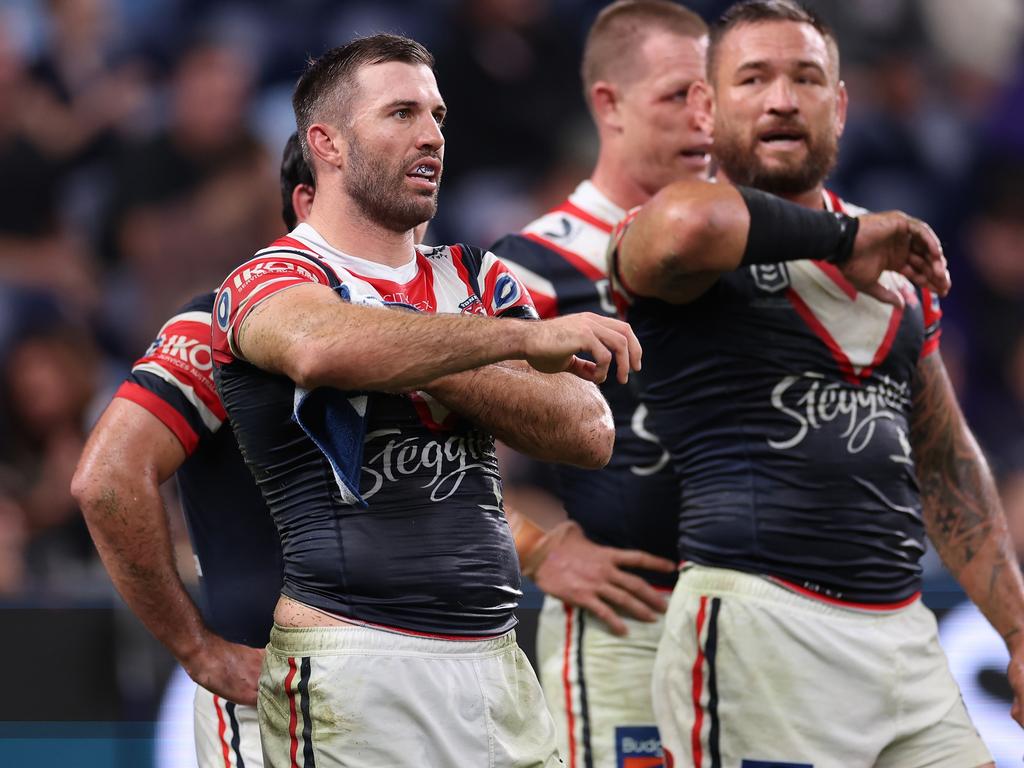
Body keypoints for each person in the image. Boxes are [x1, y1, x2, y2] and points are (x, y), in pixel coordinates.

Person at [608, 1, 1023, 765]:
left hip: (904, 636)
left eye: (806, 78)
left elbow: (944, 460)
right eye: (753, 78)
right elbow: (693, 226)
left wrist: (1019, 629)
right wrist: (845, 238)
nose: (781, 99)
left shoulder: (897, 258)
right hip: (761, 631)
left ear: (840, 104)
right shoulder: (678, 229)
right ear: (705, 105)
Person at [211, 34, 642, 768]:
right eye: (401, 113)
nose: (432, 135)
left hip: (495, 661)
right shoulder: (268, 277)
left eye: (437, 115)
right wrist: (498, 345)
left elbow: (586, 427)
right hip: (353, 664)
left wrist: (420, 350)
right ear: (329, 144)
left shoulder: (475, 275)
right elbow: (321, 348)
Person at [488, 2, 711, 766]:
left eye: (713, 95)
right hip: (626, 635)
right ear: (608, 104)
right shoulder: (532, 268)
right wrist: (538, 548)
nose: (704, 120)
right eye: (679, 95)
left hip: (758, 629)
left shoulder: (751, 253)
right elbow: (419, 442)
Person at [72, 132, 316, 768]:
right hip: (270, 687)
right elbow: (105, 480)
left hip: (426, 682)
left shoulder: (426, 321)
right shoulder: (214, 326)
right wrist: (197, 648)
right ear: (303, 203)